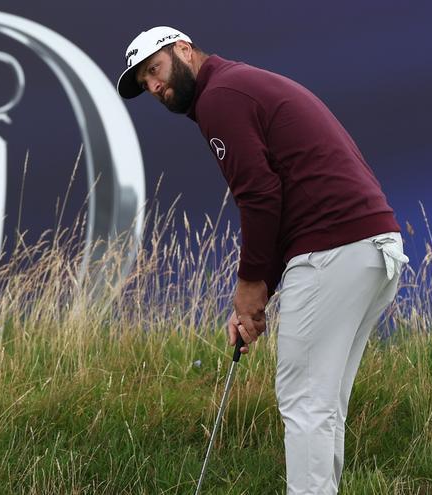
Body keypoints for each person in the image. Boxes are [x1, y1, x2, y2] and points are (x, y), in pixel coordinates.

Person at [117, 27, 408, 494]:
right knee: (323, 404)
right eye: (145, 83)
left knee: (306, 403)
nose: (154, 86)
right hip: (371, 249)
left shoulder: (220, 97)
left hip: (333, 251)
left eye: (155, 69)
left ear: (185, 51)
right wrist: (255, 301)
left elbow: (259, 195)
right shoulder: (237, 86)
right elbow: (277, 194)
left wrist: (250, 285)